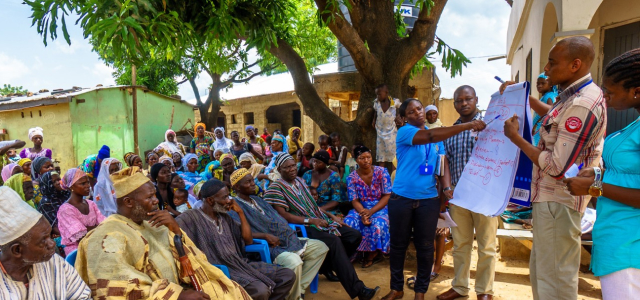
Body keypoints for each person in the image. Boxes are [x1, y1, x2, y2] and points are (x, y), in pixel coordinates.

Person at [501, 36, 606, 300]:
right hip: (550, 200)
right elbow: (554, 116)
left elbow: (556, 166)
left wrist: (515, 138)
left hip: (558, 200)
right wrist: (525, 97)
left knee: (554, 282)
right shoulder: (572, 97)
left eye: (552, 62)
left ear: (575, 65)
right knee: (545, 274)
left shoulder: (582, 103)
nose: (546, 69)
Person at [75, 167, 251, 299]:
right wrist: (178, 295)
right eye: (149, 197)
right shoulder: (106, 237)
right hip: (167, 296)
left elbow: (191, 259)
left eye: (155, 196)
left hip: (180, 288)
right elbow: (117, 288)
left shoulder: (154, 223)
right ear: (128, 202)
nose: (155, 202)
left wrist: (175, 230)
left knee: (230, 292)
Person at [382, 98, 485, 300]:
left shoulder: (438, 139)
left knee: (426, 246)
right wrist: (469, 125)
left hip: (428, 199)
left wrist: (446, 187)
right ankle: (397, 289)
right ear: (404, 118)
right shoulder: (406, 132)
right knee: (398, 245)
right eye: (411, 112)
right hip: (401, 198)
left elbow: (443, 164)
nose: (418, 113)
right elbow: (430, 134)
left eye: (419, 108)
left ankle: (420, 291)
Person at [562, 48, 640, 300]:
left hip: (630, 243)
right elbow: (630, 172)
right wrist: (598, 172)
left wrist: (595, 186)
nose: (604, 96)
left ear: (636, 91)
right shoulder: (634, 125)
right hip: (617, 235)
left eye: (610, 91)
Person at [264, 153, 380, 300]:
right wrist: (310, 221)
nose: (292, 169)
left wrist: (332, 217)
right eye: (287, 167)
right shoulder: (276, 187)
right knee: (334, 241)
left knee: (354, 236)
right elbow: (283, 215)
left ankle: (326, 266)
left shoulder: (299, 181)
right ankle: (359, 290)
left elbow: (313, 205)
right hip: (302, 226)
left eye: (293, 165)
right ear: (280, 169)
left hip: (320, 219)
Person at [177, 179, 296, 300]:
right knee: (260, 290)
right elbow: (174, 230)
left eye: (228, 196)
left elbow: (248, 240)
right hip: (220, 270)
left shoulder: (225, 217)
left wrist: (240, 213)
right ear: (210, 200)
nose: (229, 201)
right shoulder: (190, 217)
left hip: (241, 264)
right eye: (225, 197)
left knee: (287, 275)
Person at [229, 168, 329, 300]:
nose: (253, 183)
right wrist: (265, 236)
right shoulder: (234, 208)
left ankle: (299, 289)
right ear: (237, 187)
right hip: (268, 246)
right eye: (248, 182)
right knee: (294, 262)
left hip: (284, 238)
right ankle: (294, 297)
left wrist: (284, 231)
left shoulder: (257, 200)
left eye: (252, 180)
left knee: (321, 248)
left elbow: (276, 217)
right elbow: (242, 234)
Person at [437, 86, 498, 300]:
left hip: (485, 198)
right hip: (459, 198)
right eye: (459, 100)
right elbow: (445, 163)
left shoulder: (490, 127)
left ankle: (484, 291)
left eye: (468, 99)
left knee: (487, 246)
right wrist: (446, 188)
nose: (464, 103)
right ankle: (460, 287)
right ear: (454, 104)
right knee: (461, 245)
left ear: (476, 100)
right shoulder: (450, 133)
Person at [0, 186, 91, 299]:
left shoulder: (53, 262)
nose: (52, 244)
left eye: (49, 236)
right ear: (17, 250)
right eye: (43, 241)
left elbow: (82, 296)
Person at [343, 145, 391, 268]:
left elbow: (387, 196)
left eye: (368, 157)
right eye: (362, 158)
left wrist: (371, 211)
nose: (366, 161)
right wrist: (364, 213)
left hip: (380, 206)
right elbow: (354, 200)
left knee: (377, 224)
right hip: (361, 207)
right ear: (356, 160)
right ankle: (355, 252)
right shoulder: (352, 177)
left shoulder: (382, 172)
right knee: (349, 222)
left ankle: (373, 254)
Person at [57, 168, 106, 256]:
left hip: (95, 245)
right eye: (83, 183)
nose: (88, 186)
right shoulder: (65, 210)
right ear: (71, 186)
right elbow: (81, 237)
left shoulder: (91, 204)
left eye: (87, 182)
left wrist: (88, 228)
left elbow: (105, 225)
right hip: (77, 252)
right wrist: (98, 227)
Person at [302, 150, 345, 216]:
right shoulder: (307, 174)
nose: (315, 164)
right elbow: (302, 193)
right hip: (309, 208)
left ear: (326, 164)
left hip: (329, 210)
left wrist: (318, 210)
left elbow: (335, 201)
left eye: (319, 162)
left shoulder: (334, 177)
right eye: (314, 161)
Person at [372, 84, 401, 174]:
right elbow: (376, 112)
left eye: (379, 94)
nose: (378, 96)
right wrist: (373, 120)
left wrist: (399, 116)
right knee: (381, 156)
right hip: (380, 132)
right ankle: (381, 177)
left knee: (393, 156)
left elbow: (402, 108)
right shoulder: (376, 103)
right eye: (377, 94)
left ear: (386, 93)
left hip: (391, 132)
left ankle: (393, 175)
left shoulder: (394, 102)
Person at [37, 171, 70, 239]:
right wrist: (71, 236)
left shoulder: (67, 194)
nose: (58, 182)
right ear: (47, 185)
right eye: (54, 182)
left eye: (59, 179)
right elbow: (54, 228)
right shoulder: (45, 203)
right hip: (63, 236)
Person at [532, 73, 559, 146]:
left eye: (543, 83)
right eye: (538, 83)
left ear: (550, 84)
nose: (539, 86)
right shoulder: (551, 95)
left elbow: (551, 114)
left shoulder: (548, 96)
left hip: (540, 132)